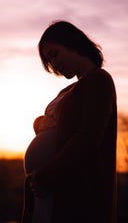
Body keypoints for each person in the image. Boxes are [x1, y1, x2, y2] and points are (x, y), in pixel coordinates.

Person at [22, 20, 118, 223]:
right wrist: (41, 124)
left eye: (55, 54)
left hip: (75, 195)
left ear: (73, 43)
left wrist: (46, 175)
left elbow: (88, 138)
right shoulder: (68, 91)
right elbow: (60, 126)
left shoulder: (98, 80)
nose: (54, 65)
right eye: (49, 61)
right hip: (47, 192)